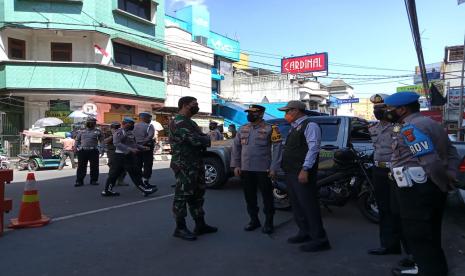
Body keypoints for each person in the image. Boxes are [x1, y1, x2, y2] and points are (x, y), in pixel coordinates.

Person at [384, 92, 460, 276]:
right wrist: (449, 174)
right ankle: (432, 268)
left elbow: (430, 162)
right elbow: (452, 153)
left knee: (419, 235)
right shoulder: (431, 124)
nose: (387, 112)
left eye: (390, 109)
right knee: (430, 233)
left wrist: (443, 183)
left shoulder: (411, 128)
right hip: (427, 187)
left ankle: (428, 271)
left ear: (402, 109)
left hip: (418, 190)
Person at [368, 94, 415, 269]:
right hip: (379, 170)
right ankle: (388, 245)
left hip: (397, 171)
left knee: (401, 211)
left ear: (390, 109)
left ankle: (411, 252)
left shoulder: (402, 127)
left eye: (381, 108)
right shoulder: (373, 128)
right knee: (385, 209)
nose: (377, 112)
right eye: (375, 109)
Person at [278, 100, 330, 252]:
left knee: (309, 205)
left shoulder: (310, 125)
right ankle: (304, 231)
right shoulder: (294, 127)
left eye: (287, 111)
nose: (285, 114)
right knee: (297, 204)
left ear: (296, 111)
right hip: (291, 172)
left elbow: (313, 148)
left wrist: (305, 169)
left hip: (302, 172)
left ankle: (320, 239)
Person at [169, 96, 217, 241]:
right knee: (182, 196)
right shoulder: (178, 122)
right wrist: (204, 140)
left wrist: (204, 140)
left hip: (195, 163)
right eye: (194, 104)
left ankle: (200, 224)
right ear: (184, 105)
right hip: (184, 164)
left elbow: (203, 138)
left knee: (197, 194)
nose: (197, 107)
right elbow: (196, 140)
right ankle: (180, 228)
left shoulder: (191, 122)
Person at [231, 104, 282, 234]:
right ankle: (254, 220)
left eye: (253, 113)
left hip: (263, 169)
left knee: (267, 197)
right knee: (249, 197)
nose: (249, 115)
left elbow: (277, 149)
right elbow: (236, 147)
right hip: (246, 169)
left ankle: (269, 222)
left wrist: (274, 167)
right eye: (248, 112)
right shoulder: (243, 128)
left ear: (260, 114)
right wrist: (236, 165)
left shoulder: (272, 129)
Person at [101, 118, 158, 197]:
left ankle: (107, 190)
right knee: (132, 173)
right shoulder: (120, 132)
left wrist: (142, 147)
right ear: (125, 123)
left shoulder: (130, 133)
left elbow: (133, 144)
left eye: (133, 123)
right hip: (121, 156)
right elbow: (116, 143)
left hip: (127, 156)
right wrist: (130, 149)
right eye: (131, 123)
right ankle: (144, 189)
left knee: (117, 174)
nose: (132, 125)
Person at [75, 117, 104, 187]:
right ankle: (79, 181)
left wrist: (102, 149)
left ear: (95, 123)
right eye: (90, 122)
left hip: (93, 151)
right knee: (81, 166)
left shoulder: (98, 131)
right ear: (87, 123)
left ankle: (94, 180)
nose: (91, 123)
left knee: (94, 166)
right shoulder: (81, 131)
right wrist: (76, 148)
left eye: (93, 122)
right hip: (82, 151)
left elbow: (102, 141)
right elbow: (77, 140)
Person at [134, 112, 156, 188]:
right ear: (146, 118)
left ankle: (139, 182)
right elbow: (150, 136)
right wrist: (143, 144)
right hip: (147, 147)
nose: (150, 120)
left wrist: (138, 145)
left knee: (137, 164)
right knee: (148, 164)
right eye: (149, 118)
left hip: (136, 147)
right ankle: (145, 181)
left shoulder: (134, 126)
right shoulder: (149, 126)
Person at [104, 122, 128, 186]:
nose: (116, 129)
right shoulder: (108, 133)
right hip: (112, 150)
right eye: (115, 128)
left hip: (121, 150)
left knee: (123, 166)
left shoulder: (122, 132)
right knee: (112, 165)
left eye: (117, 127)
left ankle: (120, 180)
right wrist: (113, 135)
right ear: (111, 128)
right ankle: (111, 181)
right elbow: (105, 141)